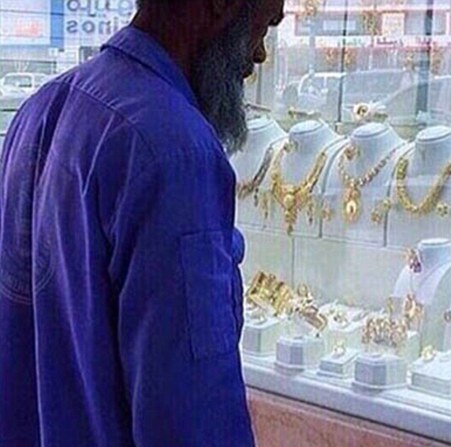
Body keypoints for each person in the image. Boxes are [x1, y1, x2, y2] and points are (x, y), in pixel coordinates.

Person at [0, 0, 284, 445]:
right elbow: (192, 415)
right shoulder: (174, 152)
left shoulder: (39, 111)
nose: (260, 53)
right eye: (263, 26)